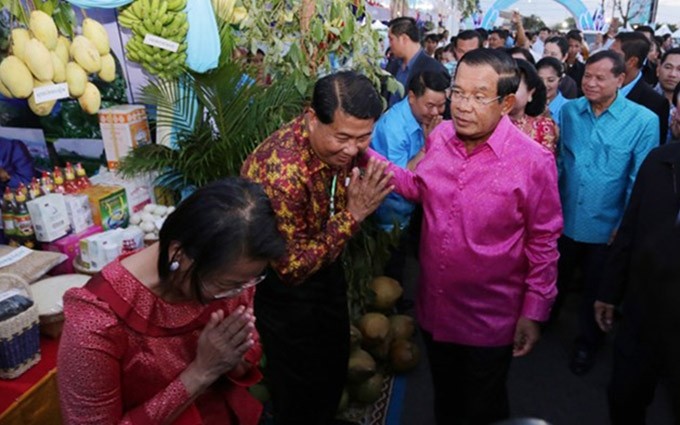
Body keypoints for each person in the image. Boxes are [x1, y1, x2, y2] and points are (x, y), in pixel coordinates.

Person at [368, 48, 562, 425]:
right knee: (445, 399)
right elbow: (418, 187)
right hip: (435, 308)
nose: (462, 106)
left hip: (489, 320)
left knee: (482, 407)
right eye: (458, 93)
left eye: (478, 96)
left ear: (506, 103)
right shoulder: (440, 136)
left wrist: (534, 310)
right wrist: (361, 154)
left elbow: (544, 241)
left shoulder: (533, 162)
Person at [58, 178, 286, 424]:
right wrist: (201, 372)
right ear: (179, 254)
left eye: (249, 282)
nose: (239, 293)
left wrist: (234, 357)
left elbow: (247, 351)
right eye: (226, 285)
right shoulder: (97, 321)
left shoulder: (234, 274)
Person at [241, 71, 391, 425]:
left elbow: (365, 164)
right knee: (300, 386)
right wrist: (352, 217)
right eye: (343, 137)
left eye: (363, 137)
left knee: (332, 362)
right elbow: (291, 269)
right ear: (311, 119)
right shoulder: (283, 173)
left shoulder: (340, 146)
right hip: (285, 290)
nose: (353, 149)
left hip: (324, 267)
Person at [555, 50, 659, 376]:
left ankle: (588, 344)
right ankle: (539, 324)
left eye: (601, 77)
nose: (590, 83)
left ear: (620, 79)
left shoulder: (643, 121)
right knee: (554, 279)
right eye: (587, 75)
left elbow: (639, 180)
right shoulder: (570, 112)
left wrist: (623, 225)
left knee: (597, 292)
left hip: (607, 226)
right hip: (564, 217)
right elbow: (559, 163)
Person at [594, 141, 680, 424]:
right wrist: (609, 292)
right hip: (644, 308)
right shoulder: (660, 161)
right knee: (624, 396)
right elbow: (630, 227)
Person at [371, 70, 449, 285]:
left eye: (441, 105)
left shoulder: (426, 117)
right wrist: (428, 145)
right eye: (430, 105)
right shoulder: (393, 128)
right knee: (389, 276)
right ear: (412, 97)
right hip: (389, 219)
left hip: (412, 214)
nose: (436, 112)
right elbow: (403, 178)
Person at [610, 31, 669, 146]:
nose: (607, 59)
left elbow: (653, 151)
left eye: (614, 55)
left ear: (632, 61)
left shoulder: (655, 103)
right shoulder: (597, 88)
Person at [384, 17, 448, 107]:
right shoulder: (393, 65)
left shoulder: (434, 70)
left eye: (391, 39)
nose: (390, 44)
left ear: (404, 39)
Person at [510, 59, 558, 153]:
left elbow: (545, 164)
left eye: (514, 88)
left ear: (530, 94)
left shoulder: (542, 127)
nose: (507, 94)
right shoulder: (488, 123)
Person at [536, 57, 569, 126]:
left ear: (560, 81)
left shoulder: (568, 107)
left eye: (550, 80)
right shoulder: (528, 103)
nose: (544, 85)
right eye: (540, 80)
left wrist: (549, 119)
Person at [565, 30, 585, 95]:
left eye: (576, 46)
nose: (573, 49)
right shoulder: (559, 65)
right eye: (570, 46)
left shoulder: (582, 68)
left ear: (580, 48)